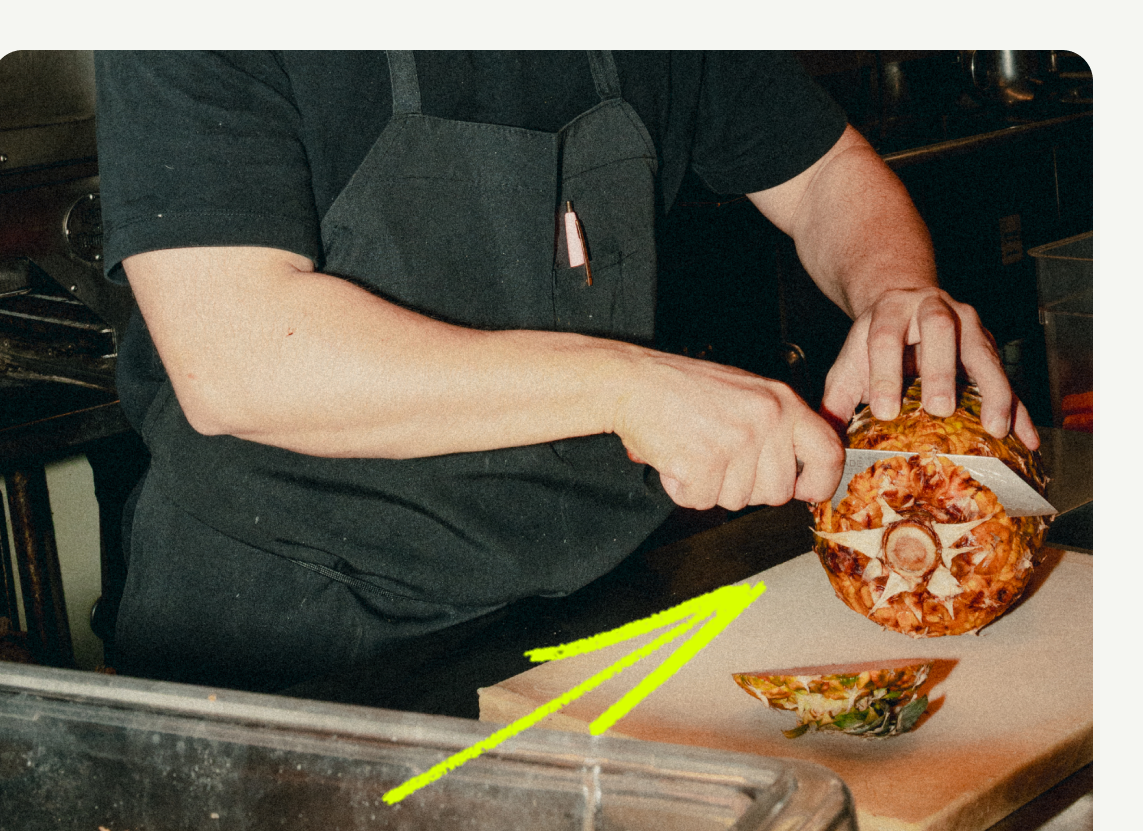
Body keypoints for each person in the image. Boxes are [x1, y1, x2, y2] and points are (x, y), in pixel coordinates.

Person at [94, 51, 1037, 700]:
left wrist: (897, 292)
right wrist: (628, 386)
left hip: (594, 608)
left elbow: (828, 175)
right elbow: (237, 356)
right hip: (295, 639)